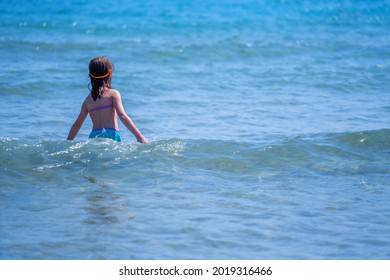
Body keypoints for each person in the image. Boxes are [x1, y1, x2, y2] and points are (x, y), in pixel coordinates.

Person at [67, 56, 147, 143]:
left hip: (94, 136)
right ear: (109, 74)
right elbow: (122, 115)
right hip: (111, 134)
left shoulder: (87, 101)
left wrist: (67, 142)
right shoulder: (113, 94)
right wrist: (139, 136)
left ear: (90, 76)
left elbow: (77, 124)